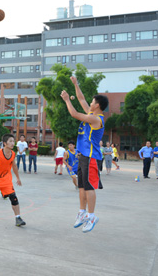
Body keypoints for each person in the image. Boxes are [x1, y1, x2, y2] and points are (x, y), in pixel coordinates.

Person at [61, 76, 108, 233]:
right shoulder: (91, 114)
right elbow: (81, 99)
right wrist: (76, 84)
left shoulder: (96, 119)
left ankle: (92, 215)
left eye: (93, 102)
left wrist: (67, 100)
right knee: (81, 186)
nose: (91, 103)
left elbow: (74, 114)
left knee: (89, 187)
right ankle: (82, 212)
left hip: (91, 157)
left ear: (98, 105)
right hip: (83, 156)